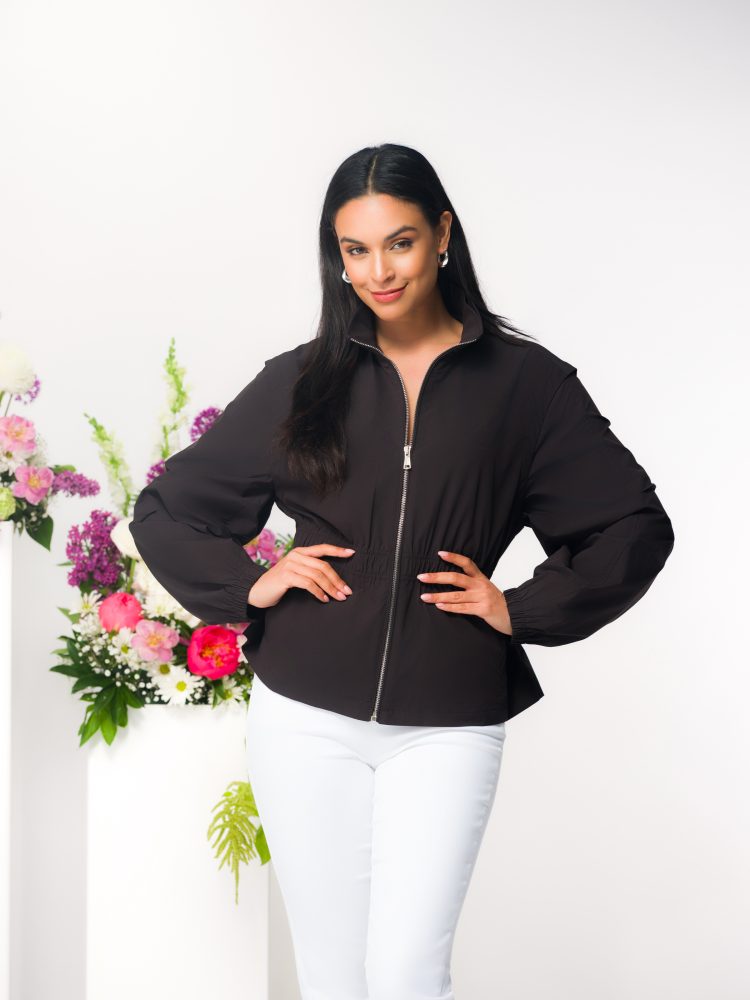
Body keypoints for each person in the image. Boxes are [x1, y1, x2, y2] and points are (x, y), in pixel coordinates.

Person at [129, 142, 675, 999]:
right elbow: (170, 507)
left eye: (401, 242)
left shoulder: (527, 387)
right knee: (333, 977)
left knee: (407, 973)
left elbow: (632, 526)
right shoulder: (303, 379)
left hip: (449, 718)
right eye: (355, 249)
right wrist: (250, 583)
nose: (378, 271)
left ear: (443, 235)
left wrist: (521, 607)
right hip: (303, 714)